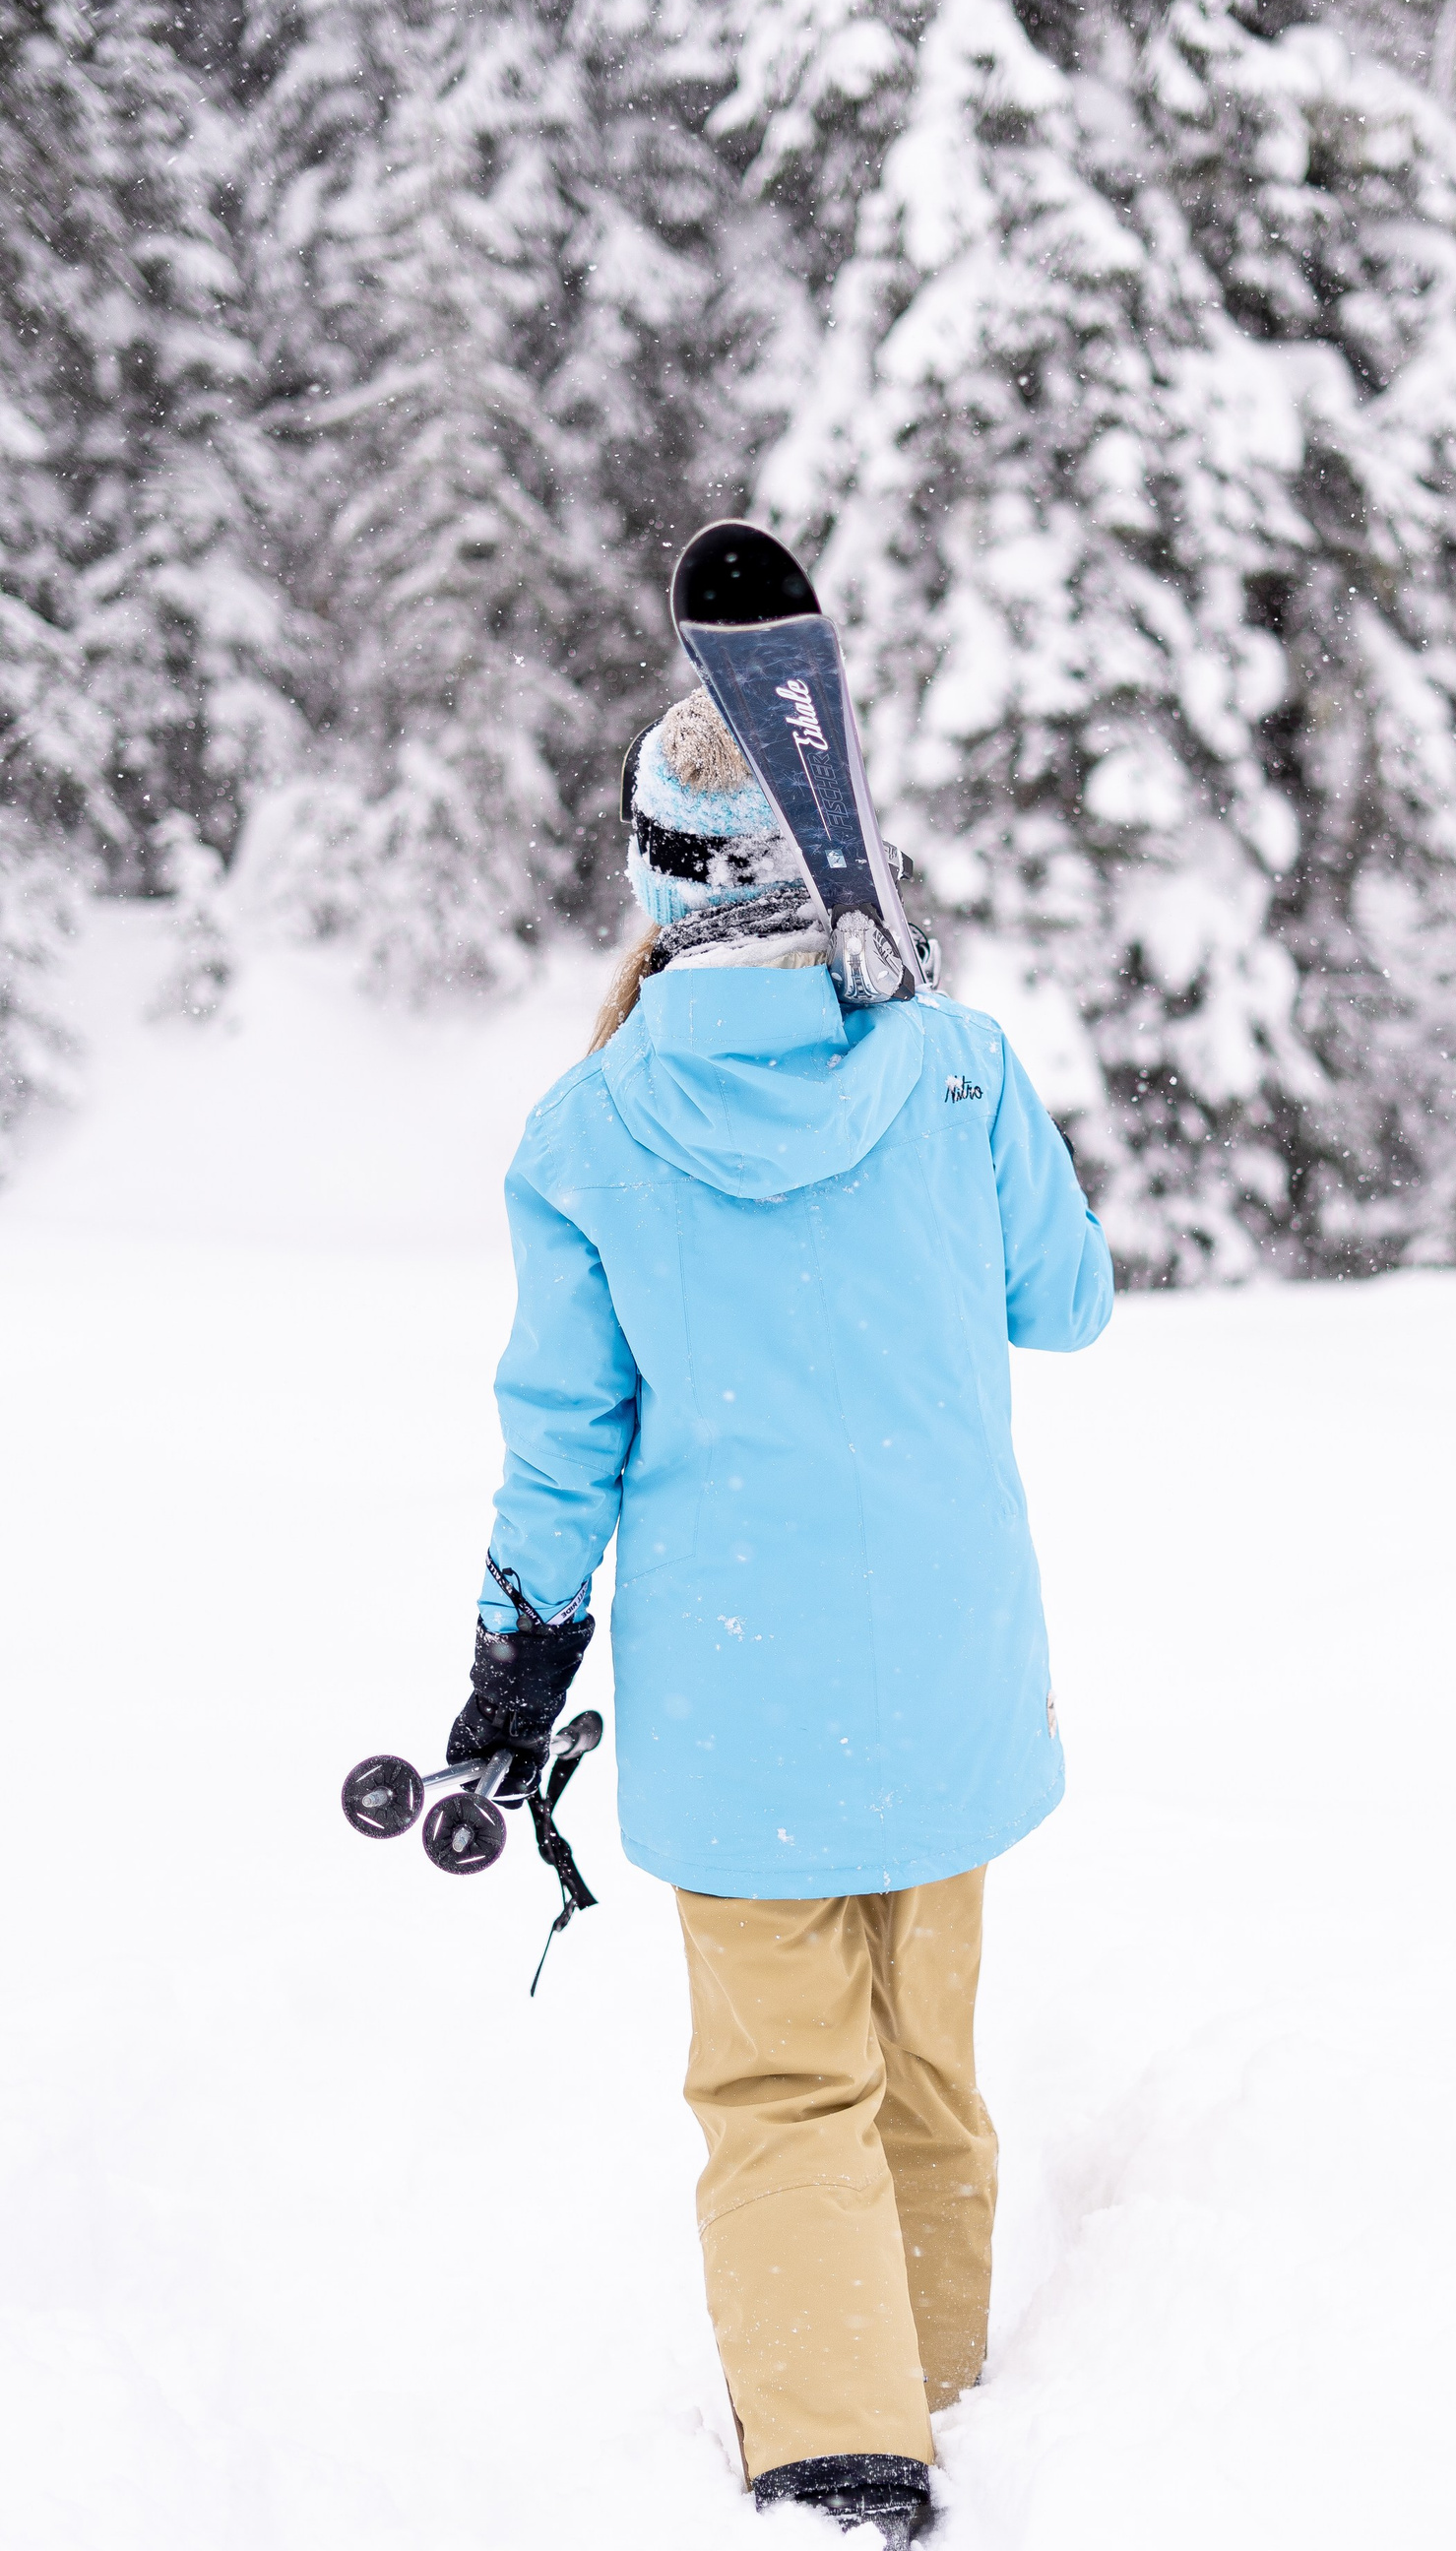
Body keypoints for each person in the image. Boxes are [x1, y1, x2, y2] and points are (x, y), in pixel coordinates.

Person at [442, 678, 1112, 2544]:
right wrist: (929, 1036)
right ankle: (935, 2391)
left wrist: (513, 1664)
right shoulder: (958, 1067)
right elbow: (1066, 1302)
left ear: (655, 882)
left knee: (781, 2090)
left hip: (741, 1716)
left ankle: (838, 2454)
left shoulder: (589, 1131)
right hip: (951, 1692)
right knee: (926, 2078)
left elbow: (562, 1449)